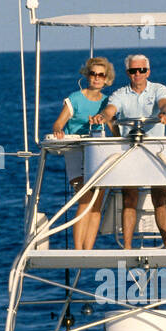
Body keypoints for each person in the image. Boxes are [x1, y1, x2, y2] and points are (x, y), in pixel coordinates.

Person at [101, 54, 166, 248]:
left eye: (141, 70)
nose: (137, 74)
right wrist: (103, 116)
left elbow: (164, 103)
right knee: (129, 197)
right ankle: (128, 246)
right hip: (129, 150)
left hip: (155, 149)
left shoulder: (158, 89)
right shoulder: (120, 93)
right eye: (133, 71)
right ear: (128, 73)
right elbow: (111, 110)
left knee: (160, 197)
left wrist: (164, 113)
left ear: (148, 71)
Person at [51, 57, 114, 250]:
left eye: (100, 75)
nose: (96, 78)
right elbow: (58, 123)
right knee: (85, 198)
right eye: (93, 74)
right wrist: (58, 130)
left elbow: (114, 128)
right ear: (87, 76)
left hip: (98, 153)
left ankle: (89, 249)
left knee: (97, 204)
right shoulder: (75, 98)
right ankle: (78, 249)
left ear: (106, 79)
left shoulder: (108, 102)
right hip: (76, 152)